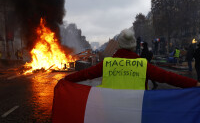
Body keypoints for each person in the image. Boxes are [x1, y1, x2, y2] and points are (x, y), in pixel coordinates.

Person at [64, 29, 200, 89]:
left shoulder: (108, 64)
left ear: (119, 46)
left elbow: (85, 74)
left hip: (110, 111)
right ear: (134, 47)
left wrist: (66, 80)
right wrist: (194, 84)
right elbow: (169, 77)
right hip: (136, 111)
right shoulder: (143, 65)